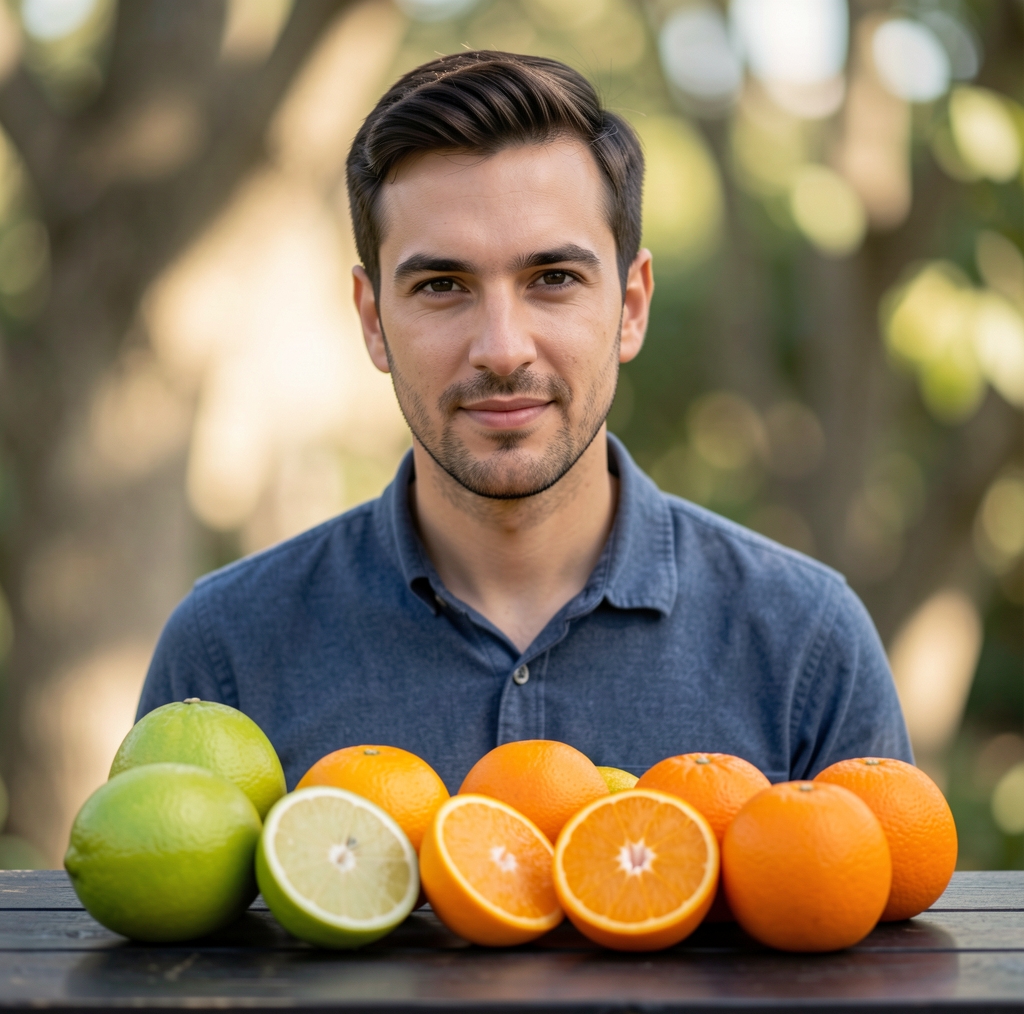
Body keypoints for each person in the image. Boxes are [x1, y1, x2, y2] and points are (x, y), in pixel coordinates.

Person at [137, 51, 912, 793]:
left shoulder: (807, 644)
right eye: (443, 285)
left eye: (553, 278)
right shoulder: (225, 652)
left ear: (630, 307)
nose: (502, 349)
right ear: (373, 320)